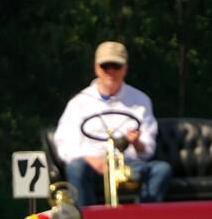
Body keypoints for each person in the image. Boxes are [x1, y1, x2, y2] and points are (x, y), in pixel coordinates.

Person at [54, 40, 172, 207]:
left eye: (116, 66)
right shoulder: (79, 103)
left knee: (162, 170)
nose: (110, 71)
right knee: (76, 168)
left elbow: (147, 151)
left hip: (128, 165)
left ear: (125, 69)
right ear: (96, 68)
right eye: (105, 66)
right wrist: (92, 160)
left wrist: (137, 143)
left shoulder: (141, 100)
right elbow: (64, 144)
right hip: (92, 165)